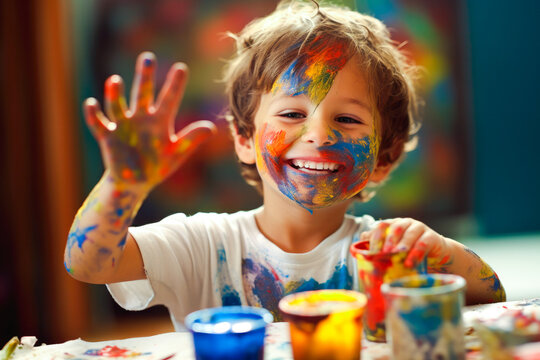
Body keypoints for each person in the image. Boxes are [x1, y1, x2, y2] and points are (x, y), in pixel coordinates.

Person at [65, 0, 505, 330]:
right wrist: (122, 186)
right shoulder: (201, 245)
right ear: (243, 138)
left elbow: (492, 297)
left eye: (347, 119)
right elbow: (87, 265)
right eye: (292, 114)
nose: (318, 135)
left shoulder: (385, 254)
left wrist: (440, 253)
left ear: (383, 160)